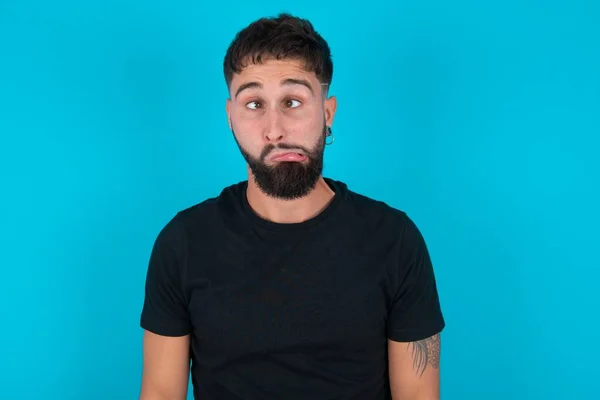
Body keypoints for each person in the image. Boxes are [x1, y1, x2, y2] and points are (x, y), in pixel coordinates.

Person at [139, 12, 445, 400]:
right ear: (230, 117)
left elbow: (418, 395)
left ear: (327, 112)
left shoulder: (395, 240)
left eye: (293, 101)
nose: (275, 129)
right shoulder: (182, 243)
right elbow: (161, 393)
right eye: (254, 104)